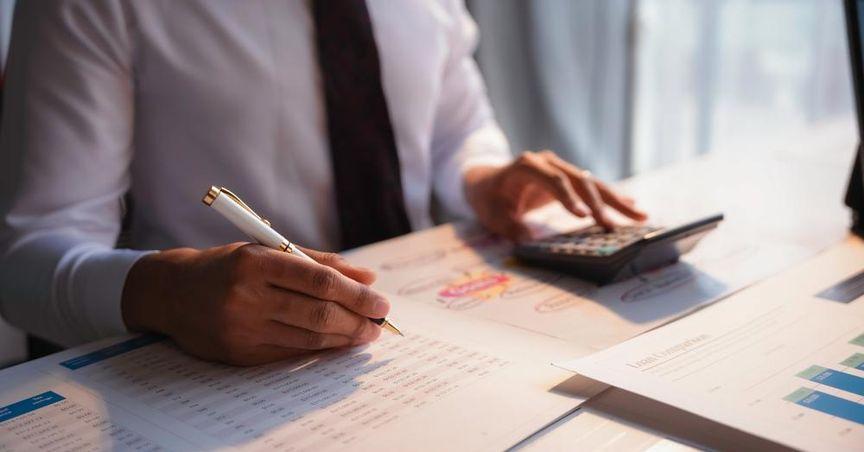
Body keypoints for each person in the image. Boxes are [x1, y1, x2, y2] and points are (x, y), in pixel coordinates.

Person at [0, 0, 646, 365]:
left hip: (424, 350)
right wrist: (164, 292)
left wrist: (483, 178)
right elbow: (25, 262)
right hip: (210, 379)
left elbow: (456, 129)